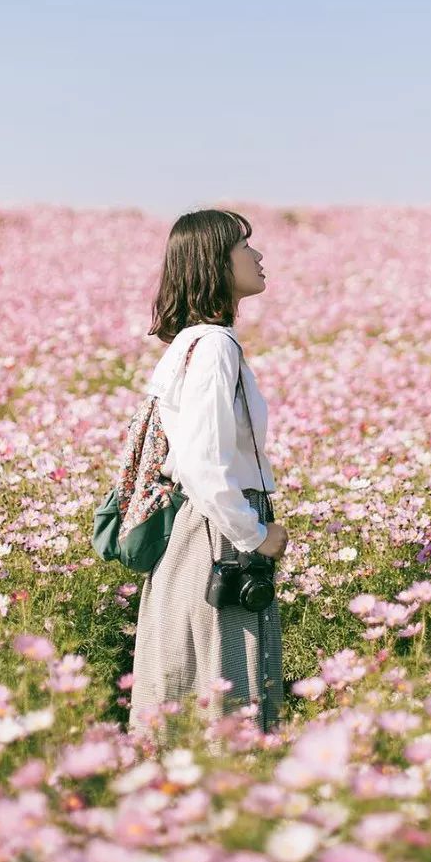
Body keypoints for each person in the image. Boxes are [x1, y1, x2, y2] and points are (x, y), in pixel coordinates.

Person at [128, 208, 289, 740]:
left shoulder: (188, 345)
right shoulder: (214, 346)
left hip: (197, 536)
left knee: (190, 696)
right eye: (245, 247)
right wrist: (257, 534)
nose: (259, 256)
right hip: (217, 540)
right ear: (216, 263)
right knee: (225, 699)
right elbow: (202, 462)